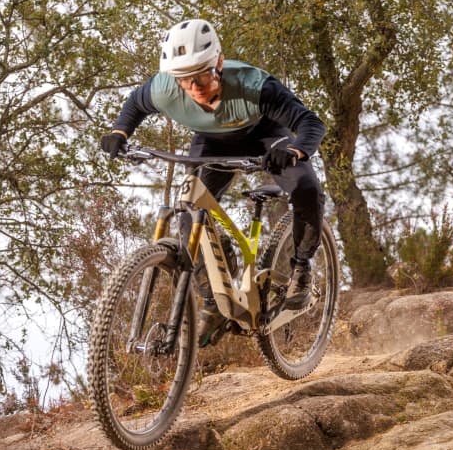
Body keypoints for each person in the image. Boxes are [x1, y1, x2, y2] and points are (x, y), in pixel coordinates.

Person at [100, 18, 326, 347]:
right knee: (188, 211)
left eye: (202, 76)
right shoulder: (164, 89)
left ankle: (302, 267)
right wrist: (120, 133)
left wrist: (294, 150)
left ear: (218, 63)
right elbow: (135, 103)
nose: (194, 87)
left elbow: (310, 123)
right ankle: (214, 299)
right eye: (184, 79)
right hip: (212, 141)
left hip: (264, 137)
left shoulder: (254, 86)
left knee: (306, 188)